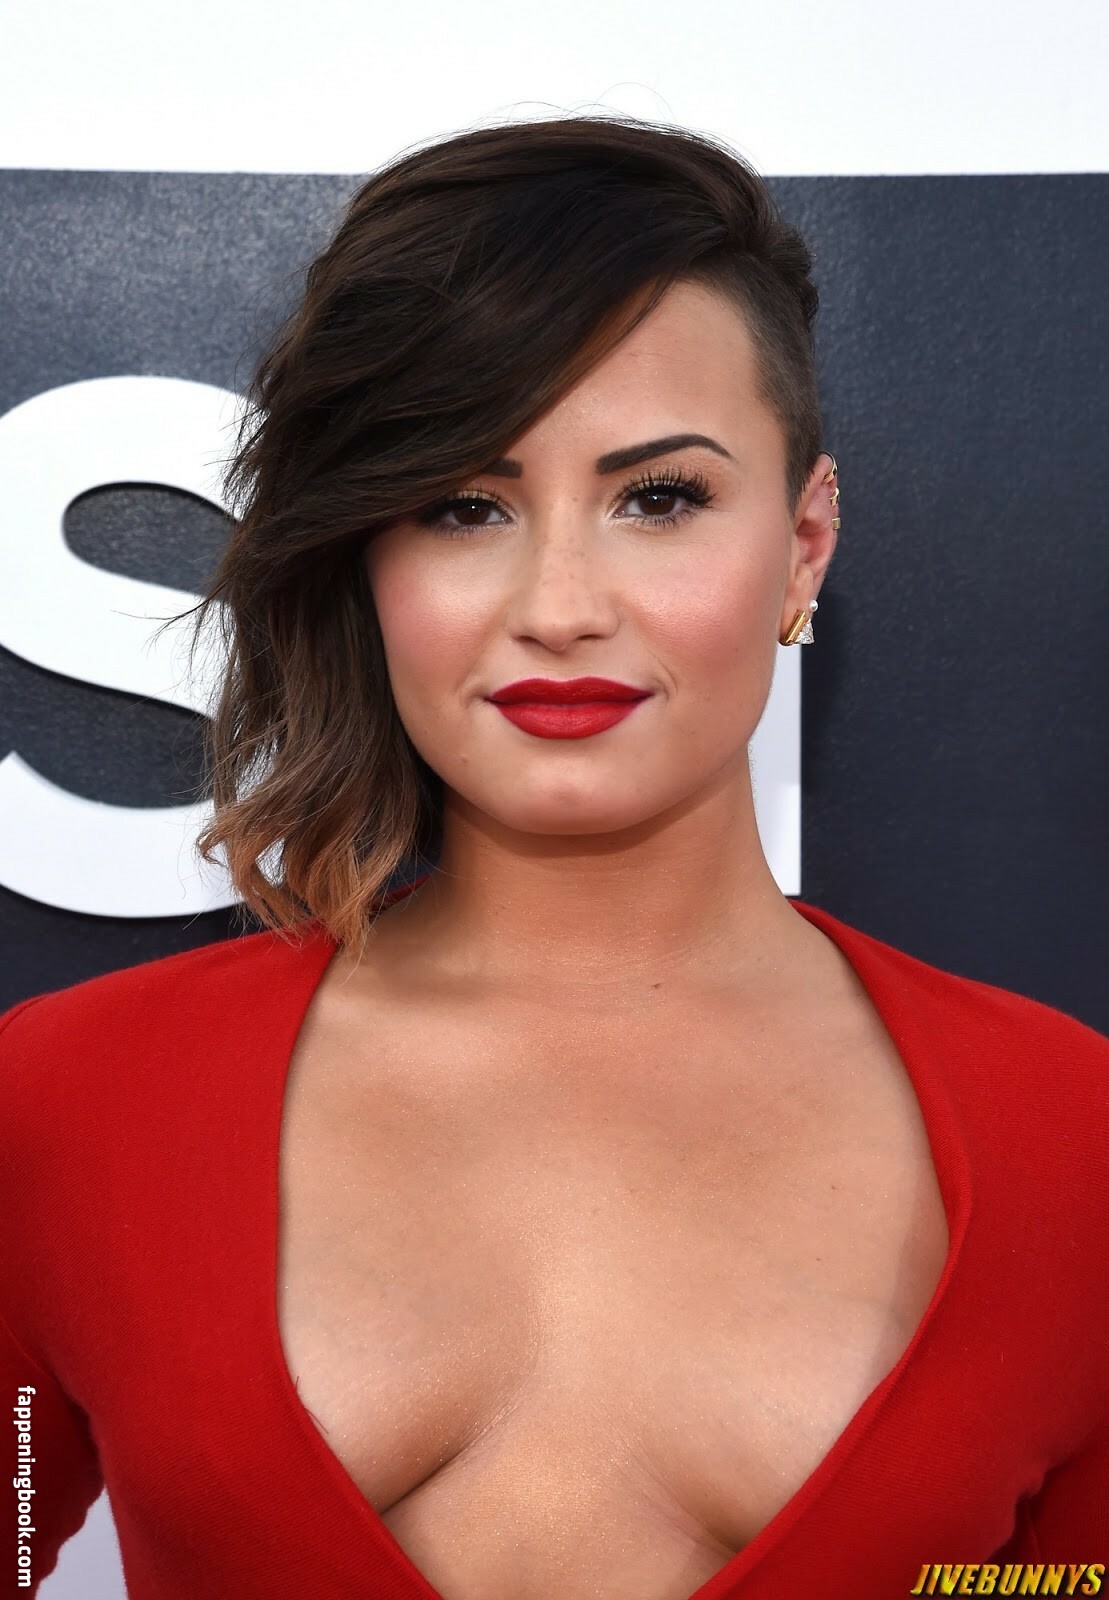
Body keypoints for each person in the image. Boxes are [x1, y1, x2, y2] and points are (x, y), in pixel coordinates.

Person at [1, 113, 1106, 1600]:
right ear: (365, 556)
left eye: (659, 497)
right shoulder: (69, 1105)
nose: (561, 604)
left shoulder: (1071, 1143)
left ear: (803, 543)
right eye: (464, 507)